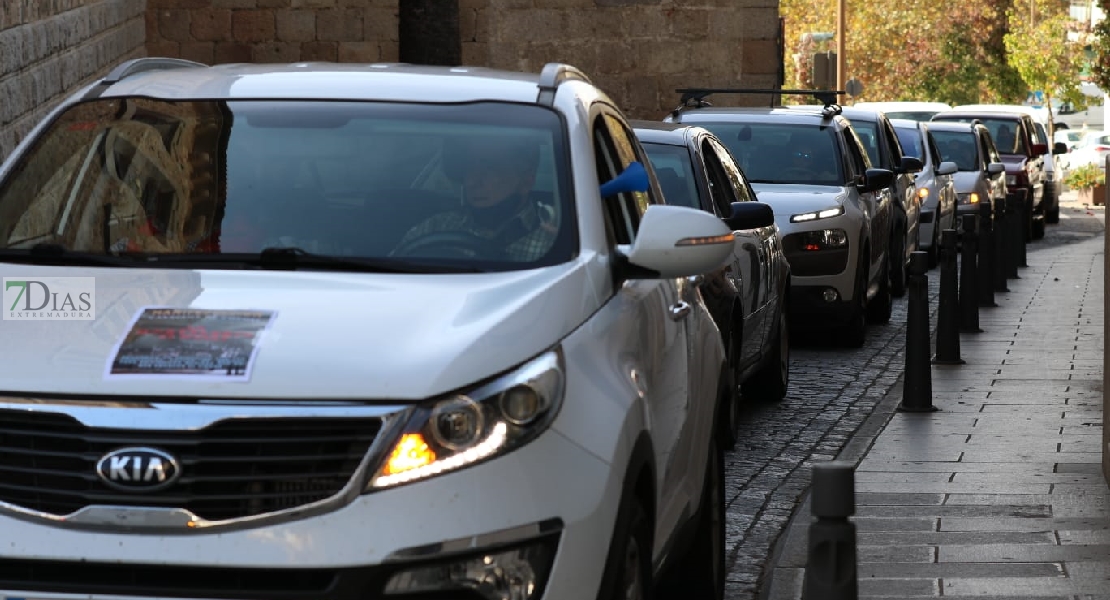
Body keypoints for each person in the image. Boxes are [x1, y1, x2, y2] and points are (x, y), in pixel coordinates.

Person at [393, 138, 557, 261]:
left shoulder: (554, 245)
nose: (471, 181)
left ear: (526, 181)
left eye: (489, 167)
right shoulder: (436, 226)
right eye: (469, 167)